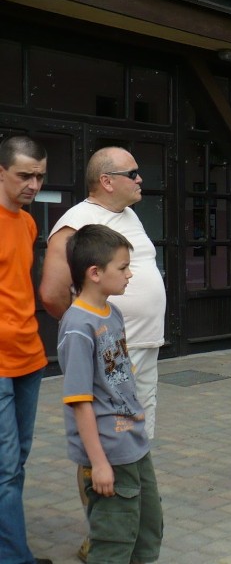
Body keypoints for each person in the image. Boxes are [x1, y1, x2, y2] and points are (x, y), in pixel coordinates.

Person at [41, 147, 166, 441]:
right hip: (111, 353)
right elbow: (51, 293)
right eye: (132, 173)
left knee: (140, 429)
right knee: (110, 433)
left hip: (144, 344)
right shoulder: (77, 220)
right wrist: (92, 332)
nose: (140, 179)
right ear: (107, 181)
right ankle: (107, 485)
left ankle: (137, 487)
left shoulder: (129, 216)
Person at [57, 224, 163, 564]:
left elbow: (116, 376)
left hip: (133, 445)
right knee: (114, 540)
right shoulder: (78, 326)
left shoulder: (112, 313)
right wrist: (99, 463)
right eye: (122, 267)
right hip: (109, 454)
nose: (129, 274)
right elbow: (80, 400)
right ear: (95, 273)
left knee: (148, 530)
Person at [0, 135, 53, 564]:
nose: (33, 184)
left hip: (30, 357)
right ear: (0, 171)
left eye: (39, 176)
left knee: (15, 463)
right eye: (24, 176)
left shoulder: (28, 222)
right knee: (3, 469)